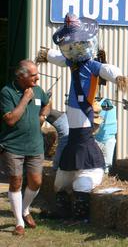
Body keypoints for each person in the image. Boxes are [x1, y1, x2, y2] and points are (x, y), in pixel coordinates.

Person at [42, 13, 128, 220]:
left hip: (83, 120)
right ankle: (63, 211)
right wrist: (46, 55)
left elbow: (107, 69)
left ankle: (81, 213)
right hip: (74, 128)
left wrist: (118, 77)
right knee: (61, 180)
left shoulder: (91, 65)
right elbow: (59, 58)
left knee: (82, 178)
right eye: (71, 46)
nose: (74, 49)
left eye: (77, 45)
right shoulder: (72, 63)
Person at [0, 60, 51, 236]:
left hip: (35, 144)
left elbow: (47, 103)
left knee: (36, 181)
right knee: (16, 181)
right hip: (13, 145)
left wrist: (43, 115)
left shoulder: (37, 89)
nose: (37, 78)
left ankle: (24, 209)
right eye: (33, 75)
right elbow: (10, 120)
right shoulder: (6, 92)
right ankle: (19, 223)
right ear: (21, 76)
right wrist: (25, 99)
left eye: (37, 74)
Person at [94, 96, 117, 174]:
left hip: (108, 137)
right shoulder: (97, 106)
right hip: (98, 137)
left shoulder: (108, 106)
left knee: (106, 161)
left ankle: (105, 173)